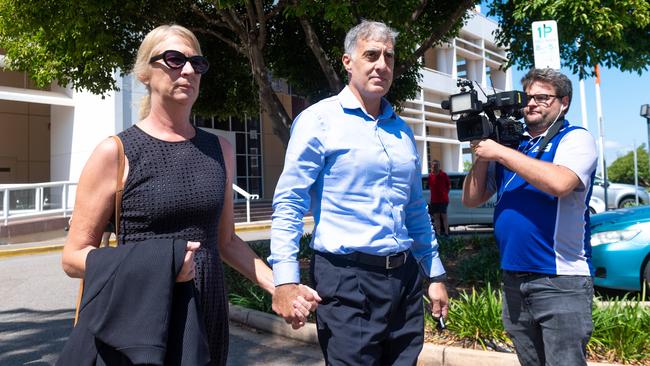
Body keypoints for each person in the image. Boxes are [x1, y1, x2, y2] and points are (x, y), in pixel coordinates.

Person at [61, 24, 318, 365]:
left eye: (196, 63)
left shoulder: (220, 150)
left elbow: (225, 240)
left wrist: (280, 286)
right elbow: (73, 257)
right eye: (173, 59)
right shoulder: (117, 152)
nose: (187, 70)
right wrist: (162, 263)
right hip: (141, 318)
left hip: (207, 313)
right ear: (144, 74)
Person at [269, 20, 449, 365]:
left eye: (389, 57)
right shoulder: (318, 120)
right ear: (348, 62)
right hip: (346, 281)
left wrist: (435, 274)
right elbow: (290, 202)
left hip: (404, 281)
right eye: (371, 55)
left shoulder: (402, 132)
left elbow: (414, 209)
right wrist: (285, 280)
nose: (382, 64)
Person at [462, 68, 597, 366]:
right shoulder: (513, 146)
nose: (532, 104)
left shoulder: (574, 139)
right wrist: (483, 156)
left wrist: (499, 152)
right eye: (528, 97)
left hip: (560, 279)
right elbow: (472, 198)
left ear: (564, 102)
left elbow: (560, 184)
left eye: (542, 97)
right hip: (514, 279)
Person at [428, 159, 450, 236]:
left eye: (436, 166)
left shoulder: (444, 175)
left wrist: (445, 194)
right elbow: (430, 187)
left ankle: (446, 233)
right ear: (432, 166)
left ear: (439, 166)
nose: (435, 167)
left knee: (444, 216)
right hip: (434, 200)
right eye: (434, 166)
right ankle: (438, 233)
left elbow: (448, 186)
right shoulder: (430, 176)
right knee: (436, 217)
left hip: (443, 200)